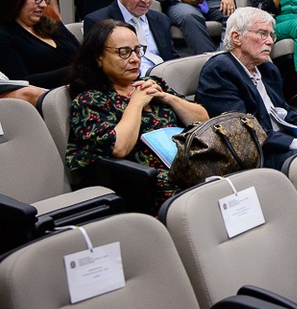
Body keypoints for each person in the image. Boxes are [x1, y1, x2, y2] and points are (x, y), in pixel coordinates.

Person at [66, 19, 208, 212]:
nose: (135, 59)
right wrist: (136, 103)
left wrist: (168, 98)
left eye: (137, 50)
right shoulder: (90, 100)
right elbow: (119, 148)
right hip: (141, 183)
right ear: (98, 57)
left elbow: (203, 120)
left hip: (187, 165)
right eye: (124, 52)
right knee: (203, 199)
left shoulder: (152, 83)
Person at [196, 7, 297, 170]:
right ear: (236, 37)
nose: (270, 41)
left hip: (281, 142)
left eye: (271, 35)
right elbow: (243, 132)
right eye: (262, 34)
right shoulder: (219, 70)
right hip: (255, 155)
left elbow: (284, 110)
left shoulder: (267, 69)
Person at [84, 0, 179, 76]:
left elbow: (173, 60)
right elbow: (95, 70)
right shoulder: (98, 21)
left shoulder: (161, 20)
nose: (147, 0)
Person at [0, 0, 79, 88]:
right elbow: (21, 83)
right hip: (46, 97)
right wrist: (77, 71)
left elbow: (84, 56)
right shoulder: (4, 35)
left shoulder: (51, 24)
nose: (43, 5)